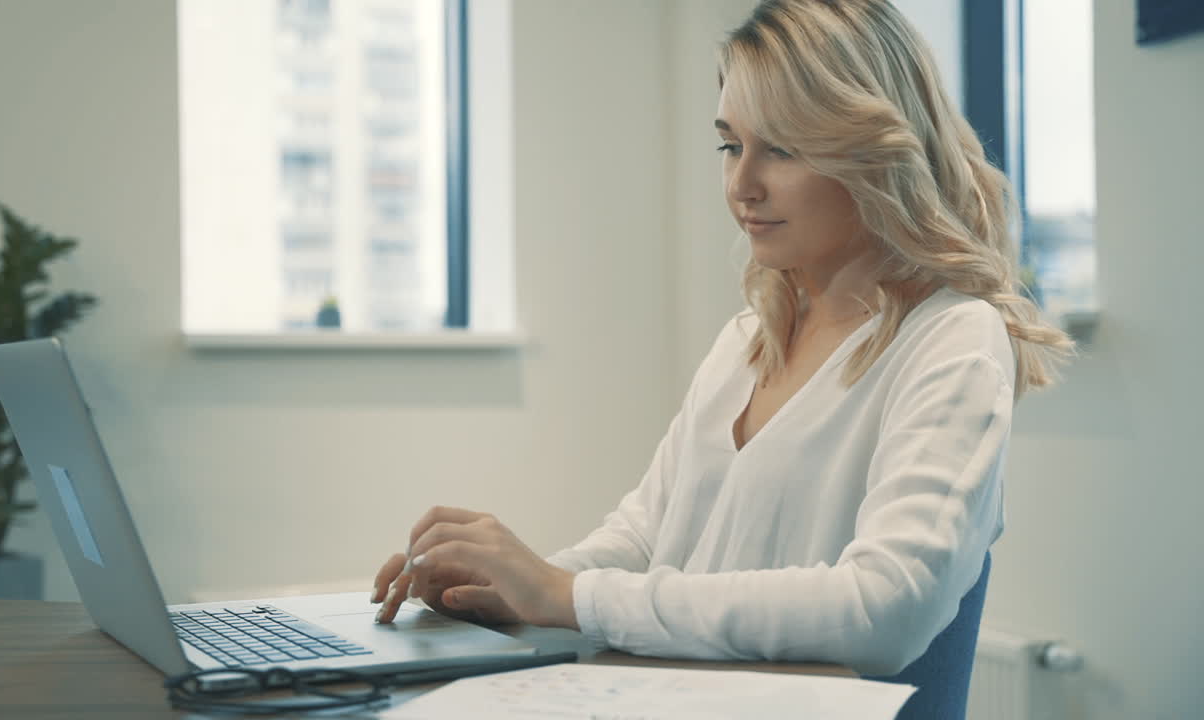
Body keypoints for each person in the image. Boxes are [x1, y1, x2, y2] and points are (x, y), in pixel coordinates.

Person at [369, 0, 1074, 676]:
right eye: (730, 144)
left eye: (783, 149)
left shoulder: (953, 340)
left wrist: (565, 597)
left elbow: (882, 609)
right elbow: (647, 538)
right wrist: (517, 585)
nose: (742, 184)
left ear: (875, 149)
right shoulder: (749, 339)